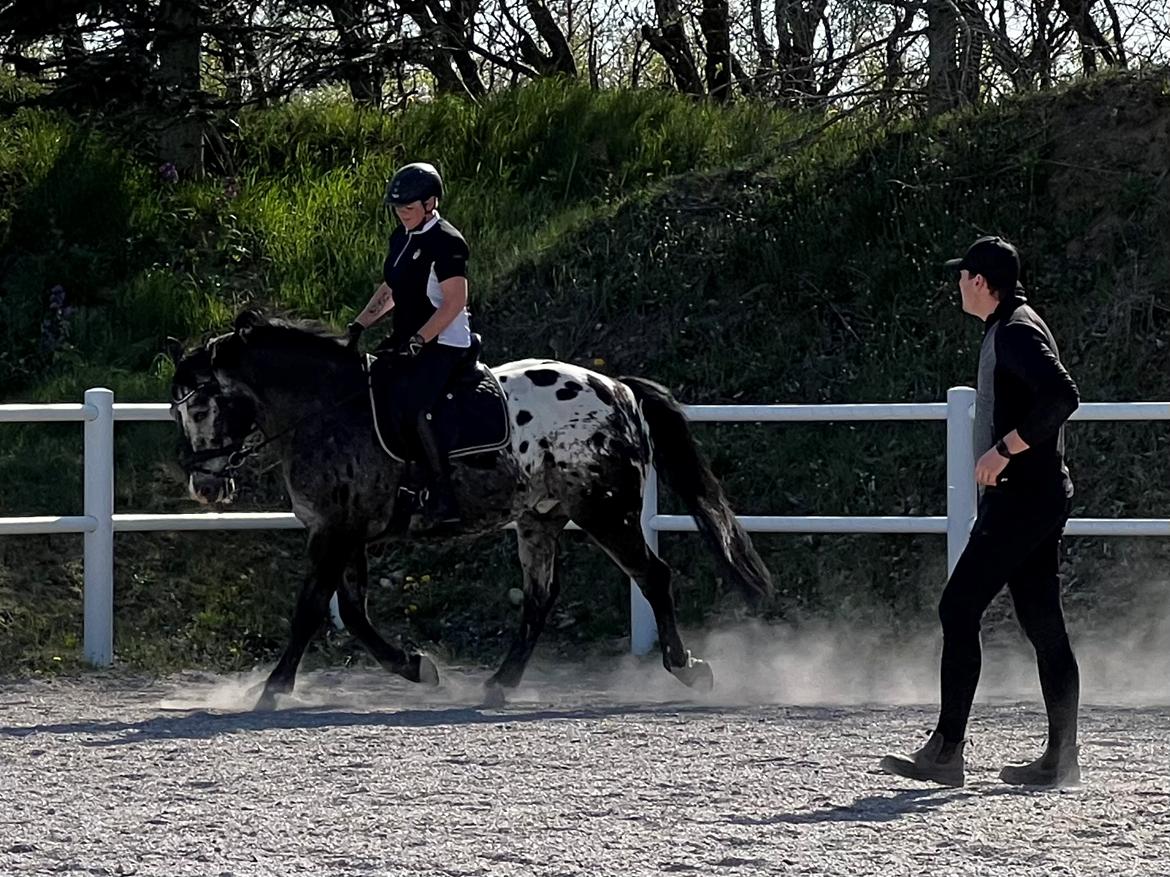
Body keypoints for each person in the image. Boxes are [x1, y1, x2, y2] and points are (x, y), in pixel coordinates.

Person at [880, 235, 1082, 788]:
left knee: (958, 607)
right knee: (1043, 623)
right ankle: (1061, 758)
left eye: (962, 275)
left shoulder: (1015, 332)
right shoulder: (1014, 324)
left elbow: (1063, 397)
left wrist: (1005, 448)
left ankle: (947, 750)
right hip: (1036, 496)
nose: (957, 285)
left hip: (1023, 498)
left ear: (979, 282)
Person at [347, 162, 471, 525]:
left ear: (431, 203)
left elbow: (454, 302)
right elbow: (392, 289)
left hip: (444, 342)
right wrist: (360, 323)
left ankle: (443, 495)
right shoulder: (401, 237)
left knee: (416, 406)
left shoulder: (447, 243)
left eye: (409, 207)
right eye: (398, 208)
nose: (402, 214)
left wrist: (420, 340)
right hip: (408, 338)